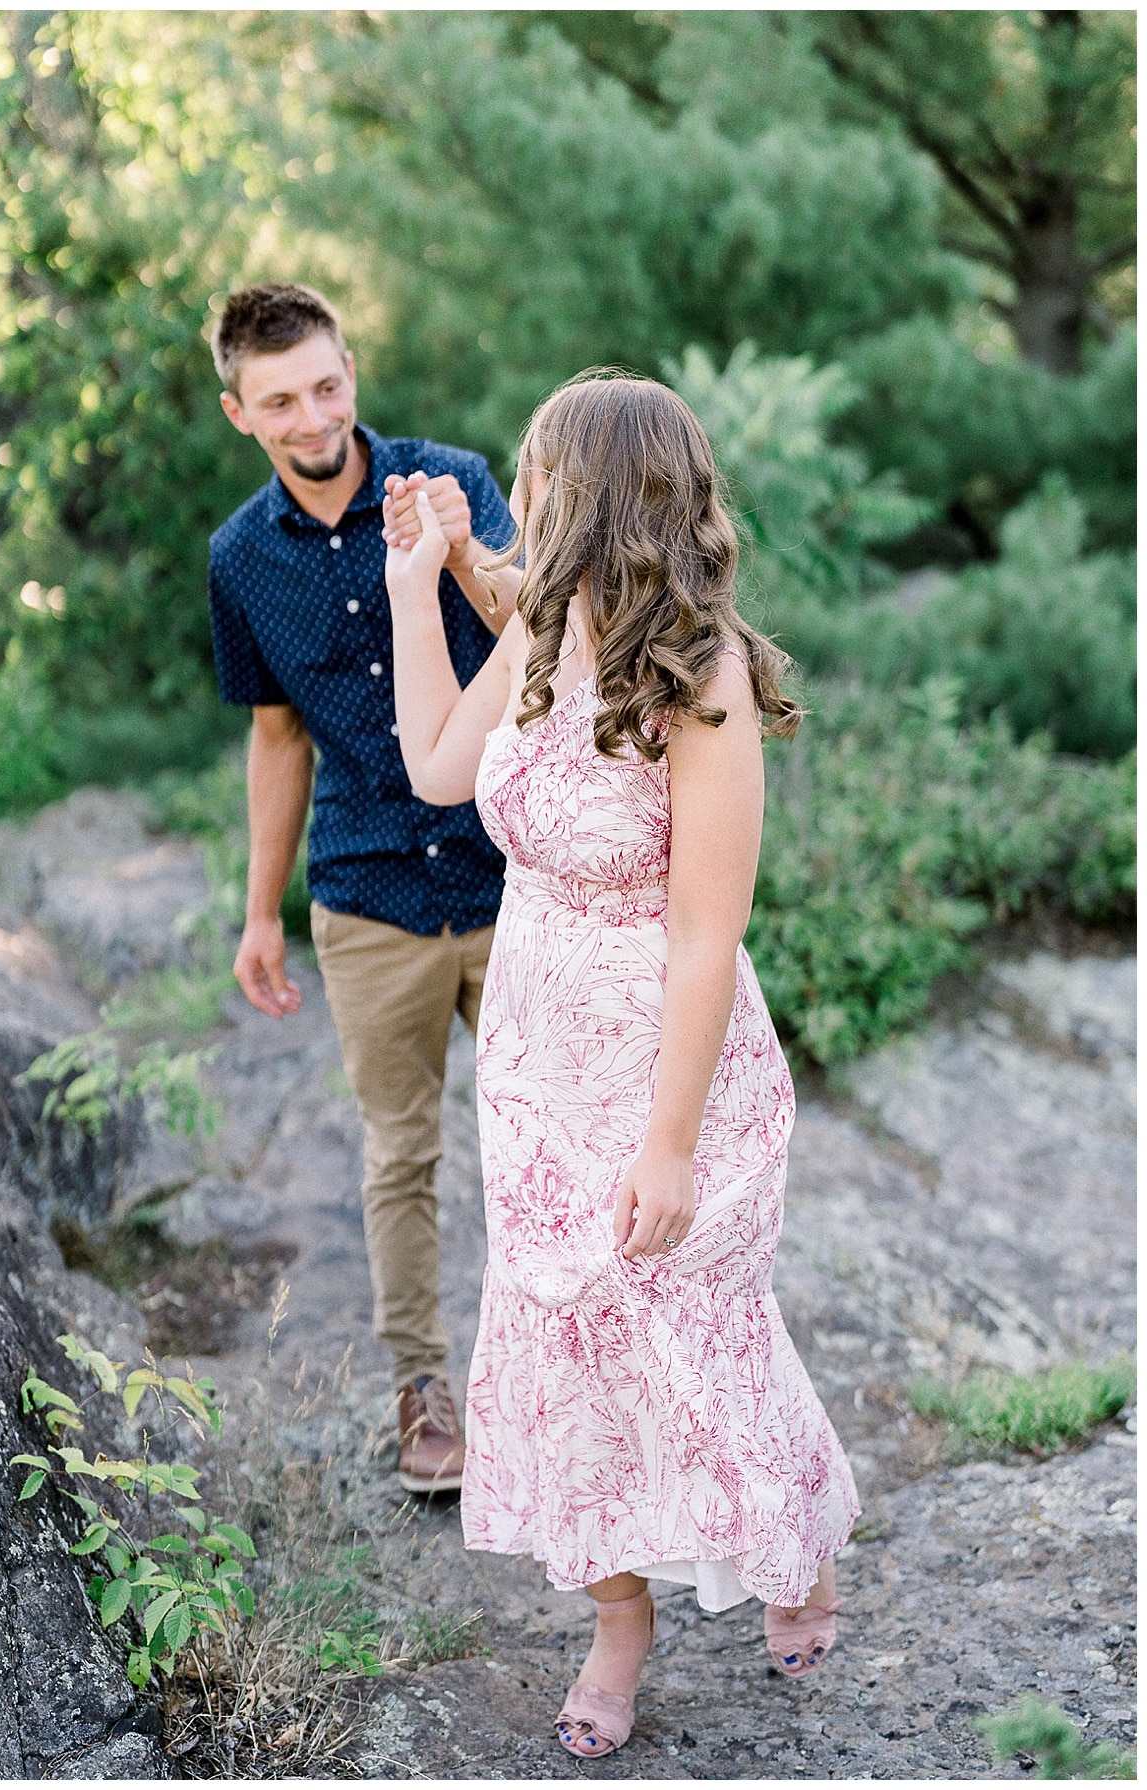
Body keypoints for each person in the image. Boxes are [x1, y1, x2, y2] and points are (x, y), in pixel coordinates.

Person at [381, 372, 860, 1757]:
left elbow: (709, 938)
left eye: (532, 473)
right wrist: (423, 589)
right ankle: (619, 1616)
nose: (513, 494)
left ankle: (795, 1538)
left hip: (672, 1061)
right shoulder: (541, 627)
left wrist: (667, 1144)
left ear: (582, 492)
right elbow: (431, 767)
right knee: (561, 1336)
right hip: (533, 1056)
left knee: (687, 1325)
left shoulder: (698, 676)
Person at [206, 283, 522, 1493]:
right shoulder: (240, 560)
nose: (312, 414)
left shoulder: (455, 475)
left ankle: (575, 1377)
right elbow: (278, 737)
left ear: (352, 372)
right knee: (399, 1154)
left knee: (551, 1136)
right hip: (365, 894)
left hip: (508, 873)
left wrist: (472, 549)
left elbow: (540, 634)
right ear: (242, 411)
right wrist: (257, 910)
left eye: (326, 385)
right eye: (280, 399)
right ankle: (423, 1391)